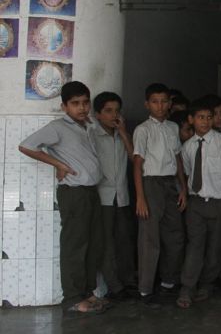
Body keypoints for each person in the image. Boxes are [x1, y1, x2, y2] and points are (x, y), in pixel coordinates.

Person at [19, 81, 104, 315]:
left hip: (90, 191)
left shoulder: (88, 125)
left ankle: (87, 292)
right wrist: (57, 164)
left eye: (85, 102)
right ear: (64, 106)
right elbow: (26, 146)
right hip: (73, 192)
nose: (82, 108)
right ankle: (73, 298)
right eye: (75, 104)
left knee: (93, 244)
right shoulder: (58, 127)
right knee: (75, 246)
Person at [176, 99, 221, 309]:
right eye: (201, 117)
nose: (205, 121)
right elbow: (184, 174)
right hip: (195, 203)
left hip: (218, 202)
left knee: (214, 248)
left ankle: (206, 284)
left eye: (209, 117)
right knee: (195, 246)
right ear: (191, 120)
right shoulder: (187, 146)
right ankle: (187, 287)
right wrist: (184, 192)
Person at [133, 83, 188, 308]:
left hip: (170, 184)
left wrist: (182, 187)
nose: (160, 106)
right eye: (155, 101)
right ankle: (145, 289)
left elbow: (178, 160)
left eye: (164, 101)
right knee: (150, 237)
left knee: (174, 234)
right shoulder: (142, 130)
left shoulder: (174, 127)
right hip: (150, 184)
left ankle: (168, 282)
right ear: (147, 104)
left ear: (170, 104)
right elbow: (137, 164)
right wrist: (140, 197)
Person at [91, 92, 136, 300]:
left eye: (117, 111)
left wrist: (124, 132)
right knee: (106, 244)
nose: (113, 115)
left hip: (122, 196)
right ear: (97, 114)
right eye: (108, 111)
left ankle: (128, 282)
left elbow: (134, 158)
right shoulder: (92, 134)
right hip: (103, 197)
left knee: (124, 241)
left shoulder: (121, 134)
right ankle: (115, 287)